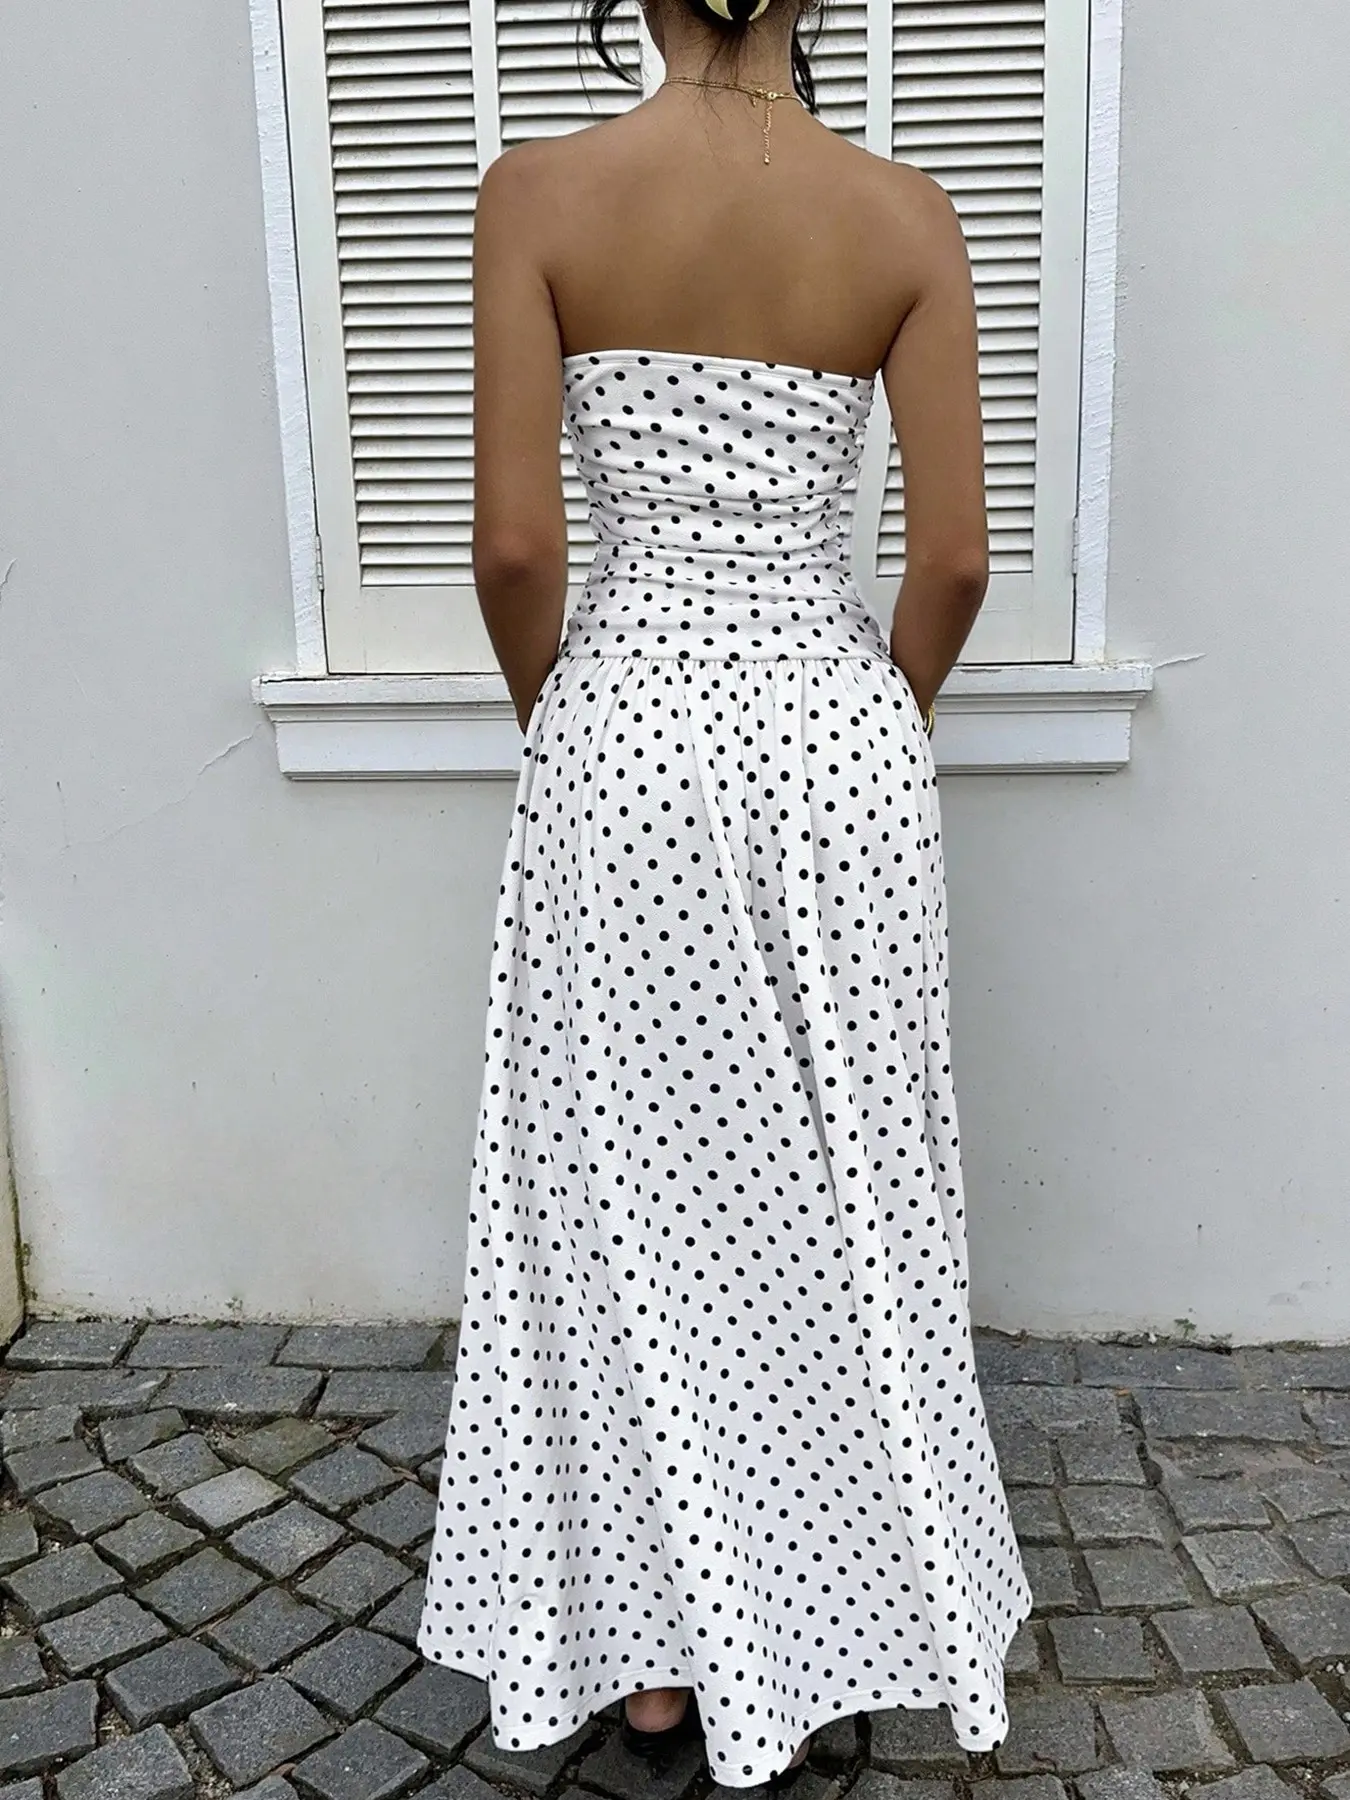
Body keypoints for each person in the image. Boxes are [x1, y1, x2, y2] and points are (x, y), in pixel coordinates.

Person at [416, 0, 1033, 1783]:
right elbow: (954, 557)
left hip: (626, 728)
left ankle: (657, 1677)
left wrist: (557, 713)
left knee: (624, 1190)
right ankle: (823, 1635)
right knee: (842, 1192)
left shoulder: (538, 192)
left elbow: (514, 545)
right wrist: (883, 717)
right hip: (832, 736)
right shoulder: (903, 215)